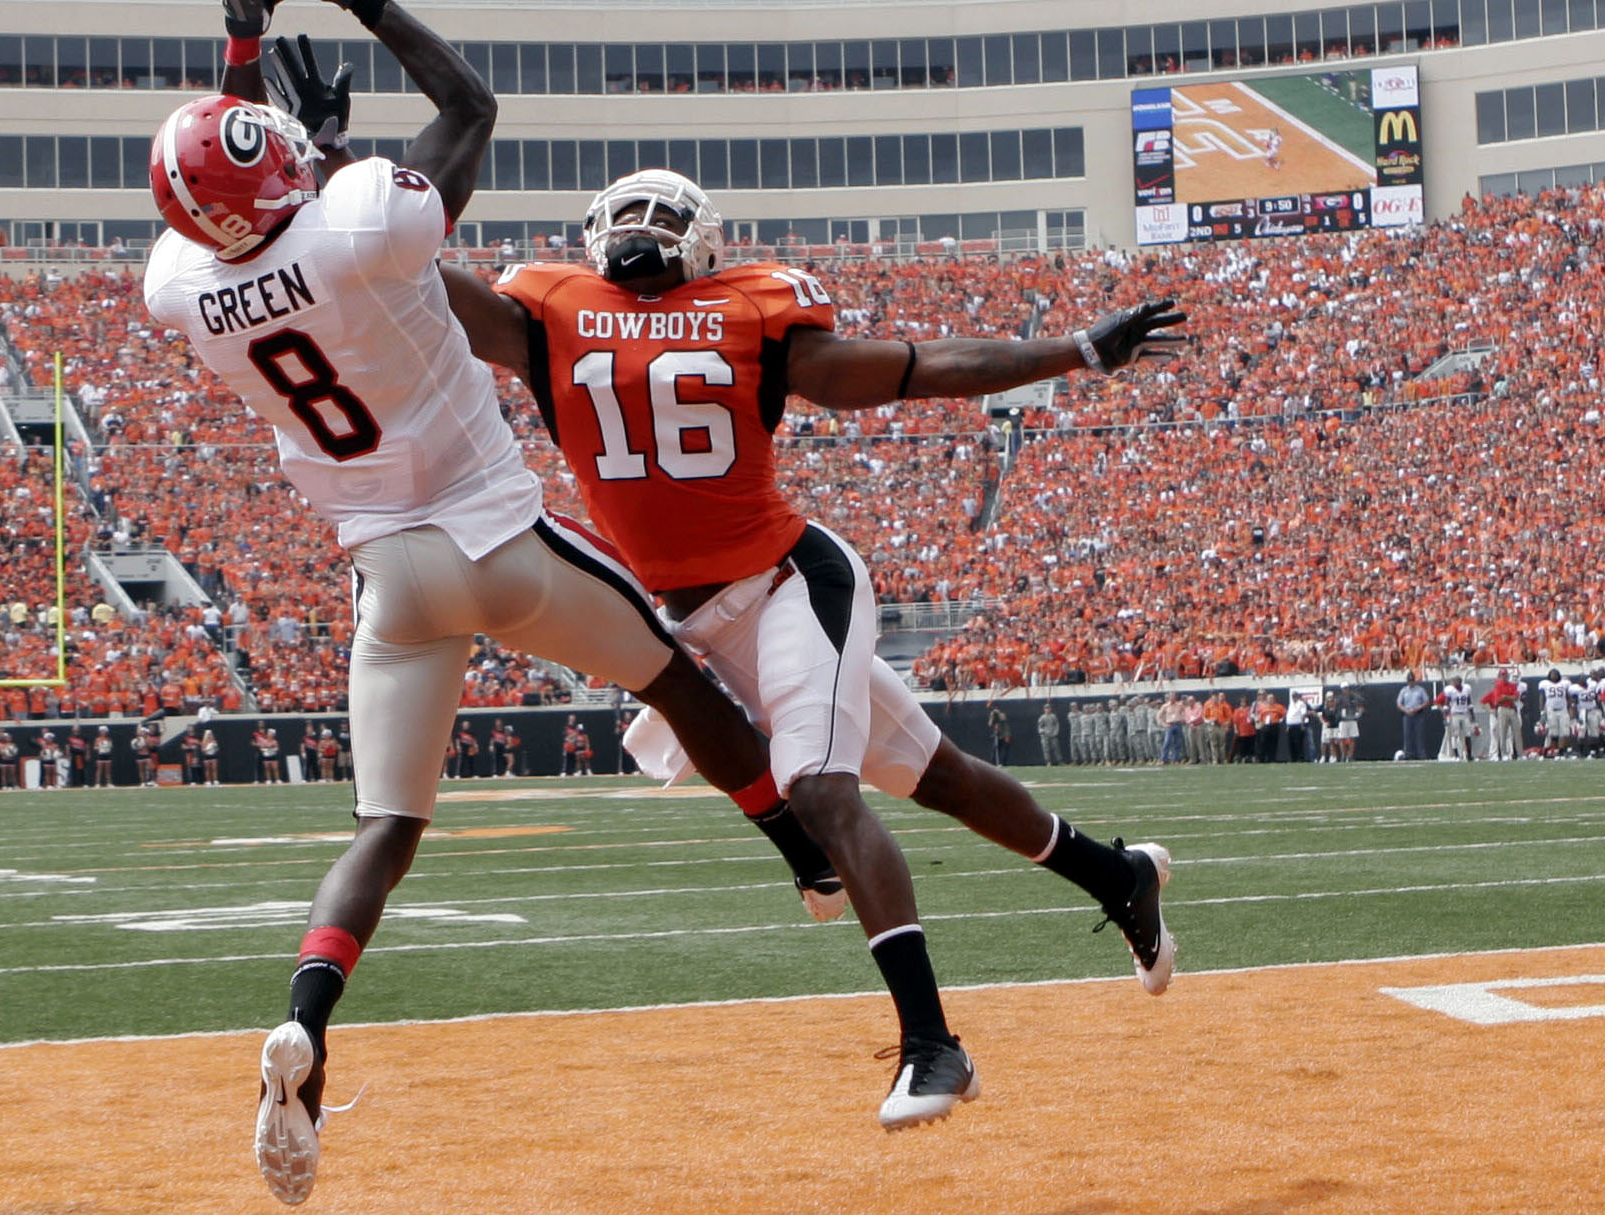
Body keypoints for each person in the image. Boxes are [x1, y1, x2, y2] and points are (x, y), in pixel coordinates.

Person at [157, 0, 867, 1205]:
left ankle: (307, 1018)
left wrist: (242, 42)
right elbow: (471, 111)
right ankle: (804, 854)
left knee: (385, 826)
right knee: (670, 678)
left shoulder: (185, 292)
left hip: (390, 580)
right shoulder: (366, 218)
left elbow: (236, 189)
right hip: (497, 536)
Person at [448, 163, 1183, 1079]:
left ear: (708, 240)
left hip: (792, 585)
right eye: (626, 211)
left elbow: (920, 369)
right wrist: (322, 190)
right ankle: (1121, 878)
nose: (641, 227)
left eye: (661, 213)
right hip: (698, 622)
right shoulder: (543, 315)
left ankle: (931, 1044)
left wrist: (1073, 351)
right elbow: (404, 265)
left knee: (819, 785)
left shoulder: (753, 316)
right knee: (941, 779)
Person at [1483, 670, 1522, 761]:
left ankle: (1519, 753)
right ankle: (1502, 753)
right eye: (1502, 675)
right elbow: (1498, 700)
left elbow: (1516, 697)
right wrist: (1490, 710)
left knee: (1517, 732)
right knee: (1502, 733)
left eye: (1506, 675)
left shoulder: (1513, 686)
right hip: (1502, 709)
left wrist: (1505, 697)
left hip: (1512, 709)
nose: (1505, 677)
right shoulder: (1498, 687)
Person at [1396, 672, 1431, 761]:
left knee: (1419, 735)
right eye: (1409, 681)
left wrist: (1417, 708)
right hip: (1407, 714)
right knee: (1407, 735)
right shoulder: (1404, 690)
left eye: (1412, 680)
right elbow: (1399, 703)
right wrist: (1406, 710)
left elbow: (1426, 701)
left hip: (1418, 714)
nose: (1411, 682)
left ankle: (1421, 755)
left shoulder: (1420, 690)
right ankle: (1407, 754)